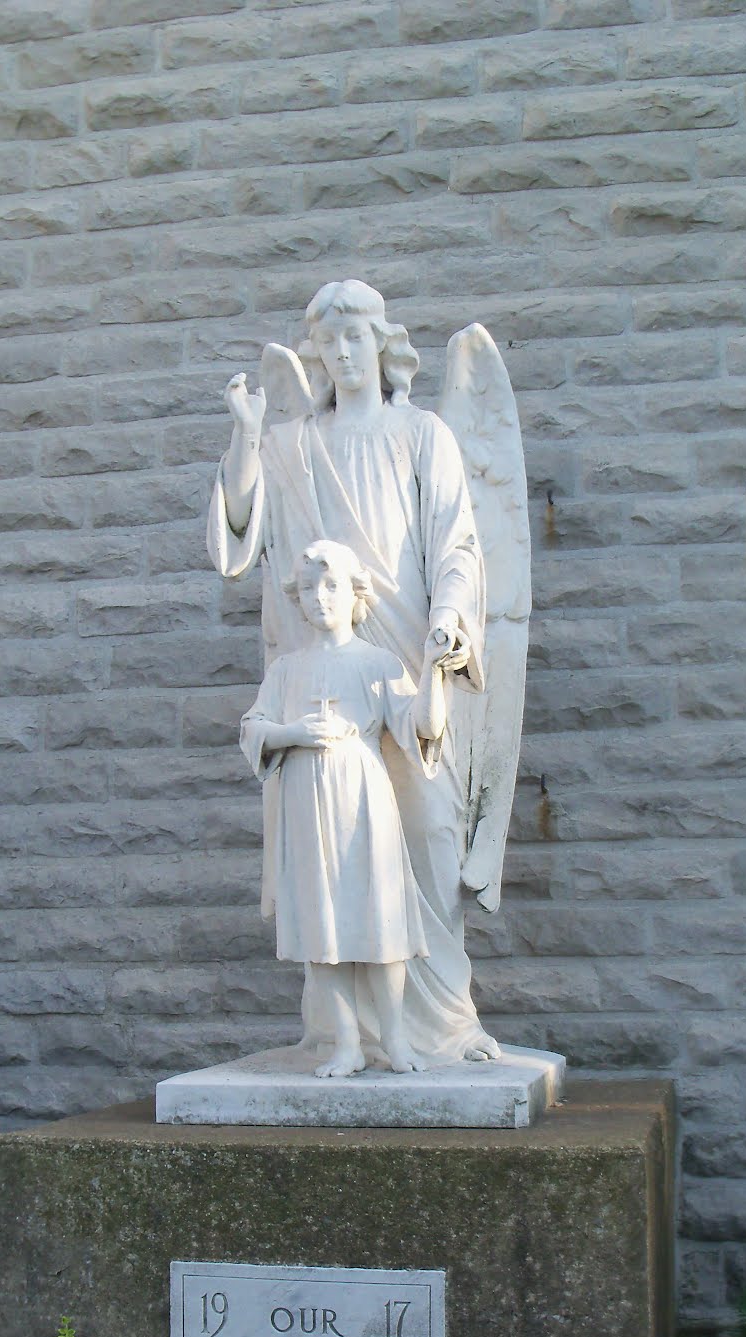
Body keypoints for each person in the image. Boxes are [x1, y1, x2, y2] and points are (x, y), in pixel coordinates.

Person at [208, 280, 499, 1065]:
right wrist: (245, 436)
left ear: (382, 345)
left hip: (405, 655)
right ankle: (348, 1036)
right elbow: (241, 533)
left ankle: (444, 1023)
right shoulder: (292, 444)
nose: (341, 355)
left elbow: (457, 542)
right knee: (335, 855)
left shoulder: (421, 434)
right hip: (321, 665)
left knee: (431, 834)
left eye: (355, 339)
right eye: (328, 343)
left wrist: (450, 618)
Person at [240, 541, 457, 1078]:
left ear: (355, 592)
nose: (319, 598)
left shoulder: (377, 664)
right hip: (305, 809)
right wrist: (295, 732)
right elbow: (253, 728)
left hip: (362, 801)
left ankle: (396, 1040)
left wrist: (434, 667)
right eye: (309, 587)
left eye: (331, 585)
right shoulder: (288, 671)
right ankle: (345, 1044)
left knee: (382, 924)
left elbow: (422, 728)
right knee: (321, 926)